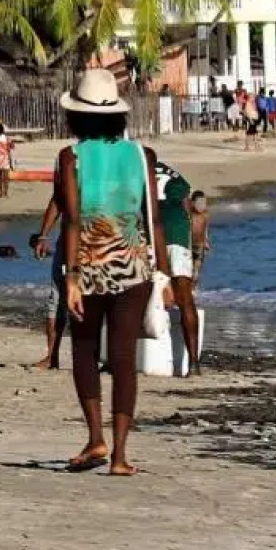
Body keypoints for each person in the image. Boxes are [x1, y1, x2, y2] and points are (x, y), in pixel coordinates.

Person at [55, 68, 169, 477]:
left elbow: (71, 220)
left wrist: (70, 277)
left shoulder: (71, 157)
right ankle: (119, 455)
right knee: (123, 358)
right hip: (134, 268)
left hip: (87, 269)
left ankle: (95, 437)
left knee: (84, 351)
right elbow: (154, 220)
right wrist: (166, 276)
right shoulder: (143, 155)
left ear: (77, 117)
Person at [155, 158, 201, 376]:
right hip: (179, 233)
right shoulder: (169, 171)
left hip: (153, 230)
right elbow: (186, 196)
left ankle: (125, 357)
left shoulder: (132, 169)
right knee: (186, 300)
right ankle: (193, 364)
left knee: (137, 294)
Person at [29, 197, 67, 370]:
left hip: (98, 243)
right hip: (68, 243)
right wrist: (43, 236)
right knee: (57, 302)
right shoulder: (68, 171)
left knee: (96, 303)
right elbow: (57, 199)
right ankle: (52, 356)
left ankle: (96, 358)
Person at [189, 190, 212, 282]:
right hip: (190, 243)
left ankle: (194, 288)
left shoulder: (205, 214)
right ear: (193, 203)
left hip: (200, 244)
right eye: (199, 203)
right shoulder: (189, 214)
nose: (202, 206)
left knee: (197, 269)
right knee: (188, 267)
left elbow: (205, 228)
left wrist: (206, 242)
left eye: (204, 203)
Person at [0, 131, 14, 199]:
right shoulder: (7, 139)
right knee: (6, 178)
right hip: (5, 159)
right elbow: (11, 148)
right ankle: (5, 193)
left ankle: (1, 192)